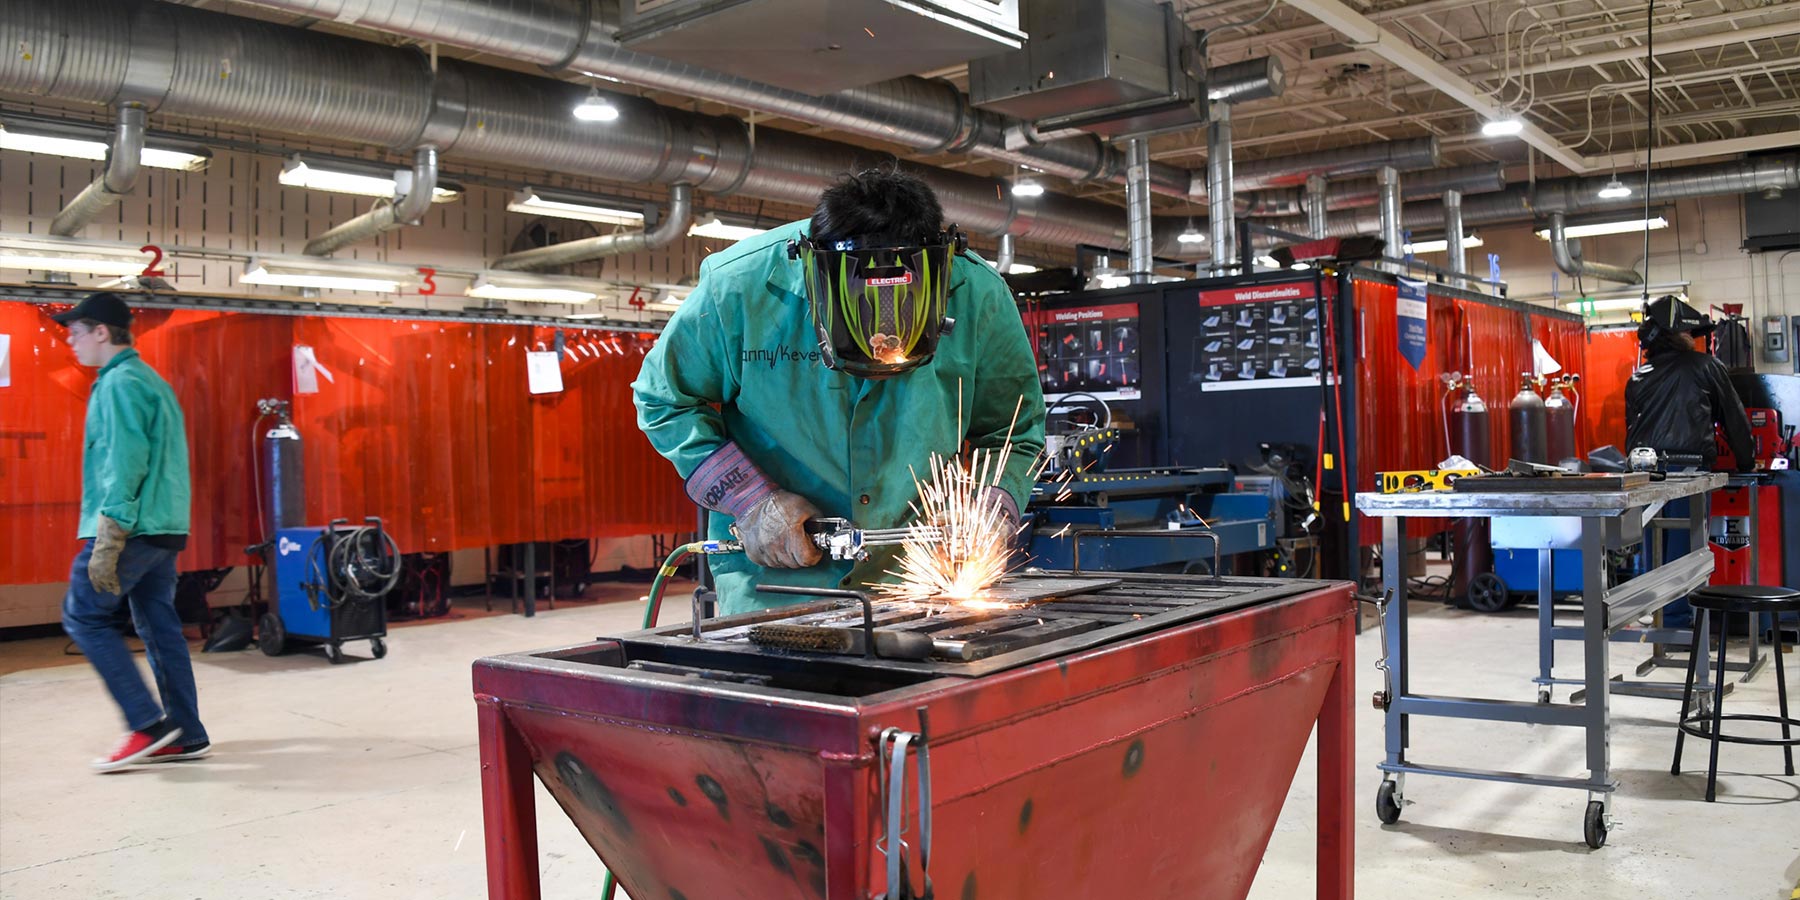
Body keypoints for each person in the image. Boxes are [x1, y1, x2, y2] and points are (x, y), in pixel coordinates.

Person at [633, 167, 1046, 615]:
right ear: (813, 276)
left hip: (920, 579)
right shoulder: (739, 288)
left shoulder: (978, 293)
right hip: (779, 583)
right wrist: (751, 501)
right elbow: (664, 400)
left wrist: (990, 505)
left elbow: (1012, 430)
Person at [55, 292, 211, 771]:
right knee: (159, 626)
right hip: (162, 528)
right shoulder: (152, 382)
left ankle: (148, 724)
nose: (70, 341)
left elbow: (126, 461)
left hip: (132, 528)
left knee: (84, 617)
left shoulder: (119, 384)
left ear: (102, 332)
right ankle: (185, 732)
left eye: (75, 332)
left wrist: (111, 532)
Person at [1624, 294, 1754, 472]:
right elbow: (1733, 418)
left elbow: (1632, 430)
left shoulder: (1637, 379)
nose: (1692, 336)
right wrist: (1747, 463)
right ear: (1674, 334)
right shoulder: (1706, 366)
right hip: (1689, 468)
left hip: (1644, 470)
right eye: (1686, 331)